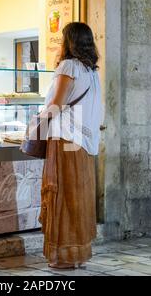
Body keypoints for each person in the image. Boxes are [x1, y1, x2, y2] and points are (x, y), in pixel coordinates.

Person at [39, 22, 103, 269]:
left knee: (62, 195)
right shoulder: (91, 71)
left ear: (69, 41)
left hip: (65, 140)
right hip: (84, 143)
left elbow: (56, 105)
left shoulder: (68, 66)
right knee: (78, 197)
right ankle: (76, 255)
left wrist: (34, 126)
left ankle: (63, 258)